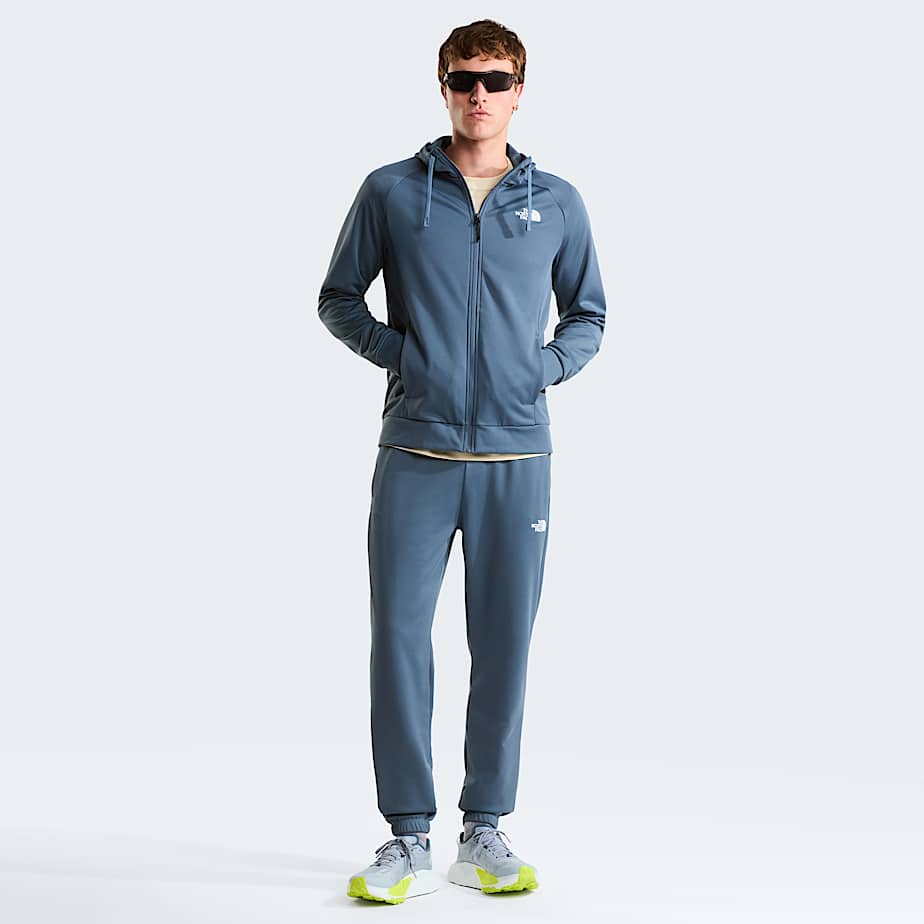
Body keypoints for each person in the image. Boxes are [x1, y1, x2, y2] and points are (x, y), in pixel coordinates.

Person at [318, 18, 606, 903]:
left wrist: (539, 370)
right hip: (416, 451)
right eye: (462, 79)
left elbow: (588, 314)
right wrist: (406, 357)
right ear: (442, 87)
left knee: (504, 645)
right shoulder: (392, 191)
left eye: (495, 80)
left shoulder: (556, 202)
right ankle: (407, 835)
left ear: (520, 91)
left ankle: (484, 829)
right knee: (401, 641)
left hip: (518, 456)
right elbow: (338, 298)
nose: (478, 95)